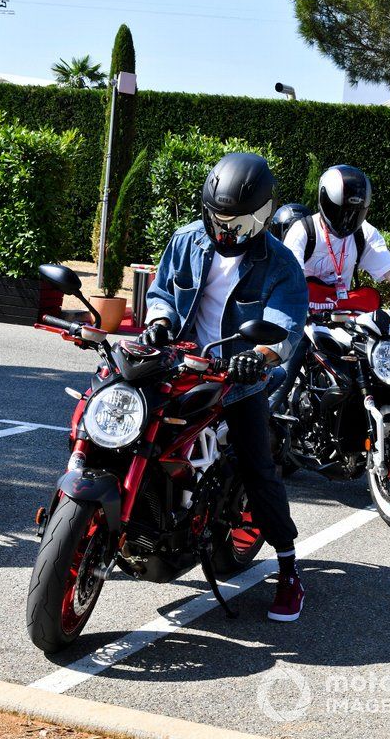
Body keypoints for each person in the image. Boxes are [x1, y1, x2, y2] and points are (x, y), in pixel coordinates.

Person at [143, 152, 309, 621]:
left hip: (237, 379)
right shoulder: (185, 241)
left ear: (260, 218)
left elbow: (285, 327)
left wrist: (256, 360)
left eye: (233, 223)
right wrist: (158, 322)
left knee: (259, 469)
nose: (222, 231)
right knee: (119, 422)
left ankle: (289, 570)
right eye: (215, 218)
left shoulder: (281, 265)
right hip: (176, 364)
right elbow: (160, 294)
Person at [271, 164, 390, 409]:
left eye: (355, 212)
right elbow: (290, 280)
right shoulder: (303, 231)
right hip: (306, 313)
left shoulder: (365, 234)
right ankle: (271, 415)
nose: (347, 219)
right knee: (292, 348)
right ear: (324, 201)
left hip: (344, 316)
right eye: (341, 211)